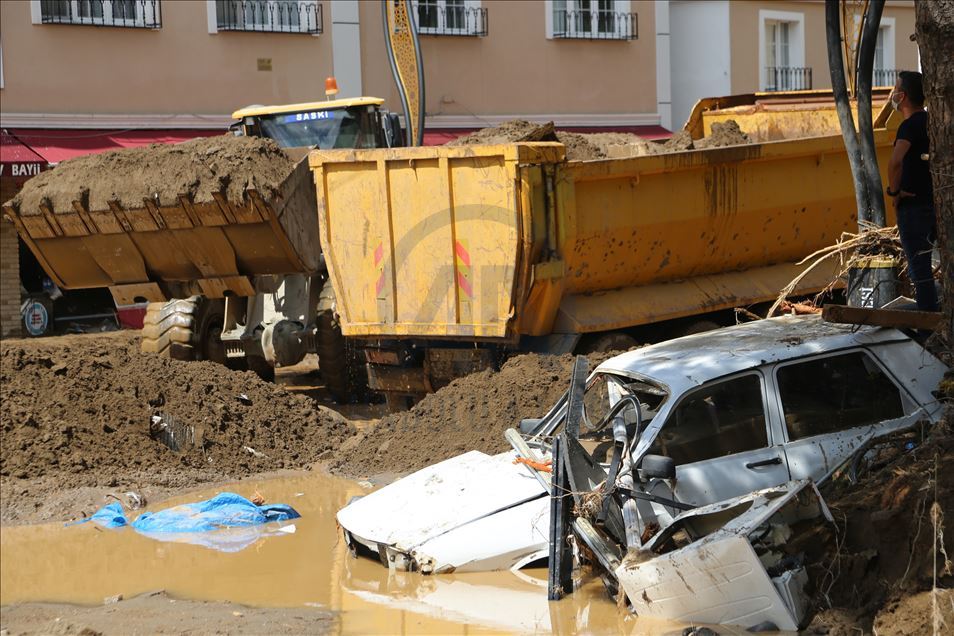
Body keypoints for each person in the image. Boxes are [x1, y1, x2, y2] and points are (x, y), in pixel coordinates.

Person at [887, 71, 938, 312]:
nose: (893, 94)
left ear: (903, 96)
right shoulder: (932, 121)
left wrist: (894, 192)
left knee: (920, 270)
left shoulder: (908, 127)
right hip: (935, 202)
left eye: (895, 89)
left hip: (913, 207)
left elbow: (895, 162)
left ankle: (928, 322)